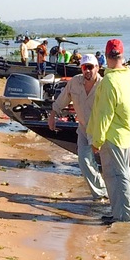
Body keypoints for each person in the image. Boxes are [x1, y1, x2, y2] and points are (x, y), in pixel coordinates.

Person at [87, 39, 130, 224]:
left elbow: (104, 115)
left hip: (112, 135)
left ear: (106, 56)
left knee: (116, 176)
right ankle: (120, 212)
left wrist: (96, 141)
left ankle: (124, 217)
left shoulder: (109, 80)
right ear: (122, 55)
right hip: (125, 132)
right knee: (120, 174)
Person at [48, 54, 106, 201]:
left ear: (97, 68)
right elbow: (63, 99)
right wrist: (53, 114)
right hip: (83, 129)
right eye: (84, 67)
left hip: (101, 130)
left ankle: (129, 194)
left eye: (91, 67)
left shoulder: (104, 85)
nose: (87, 71)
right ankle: (100, 194)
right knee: (84, 161)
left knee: (112, 166)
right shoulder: (74, 82)